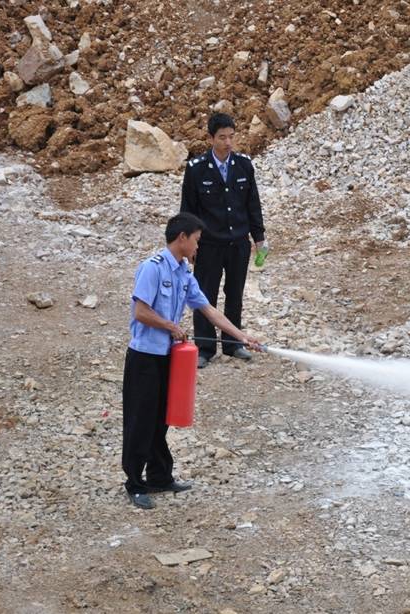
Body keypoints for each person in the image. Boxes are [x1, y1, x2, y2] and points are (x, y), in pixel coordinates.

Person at [122, 212, 262, 510]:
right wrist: (170, 326)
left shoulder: (184, 273)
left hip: (167, 357)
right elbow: (141, 312)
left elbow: (209, 310)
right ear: (182, 238)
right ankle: (134, 483)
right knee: (140, 420)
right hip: (145, 357)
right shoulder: (152, 268)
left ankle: (160, 476)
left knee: (162, 418)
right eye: (197, 240)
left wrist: (242, 336)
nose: (199, 246)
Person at [180, 112, 266, 369]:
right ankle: (205, 347)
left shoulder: (243, 165)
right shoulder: (196, 169)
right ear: (211, 138)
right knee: (205, 295)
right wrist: (188, 247)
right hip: (209, 245)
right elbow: (188, 210)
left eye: (231, 137)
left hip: (238, 242)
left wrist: (259, 238)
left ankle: (233, 343)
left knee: (235, 293)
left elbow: (253, 204)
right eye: (222, 138)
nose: (228, 143)